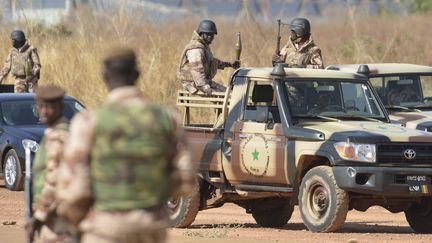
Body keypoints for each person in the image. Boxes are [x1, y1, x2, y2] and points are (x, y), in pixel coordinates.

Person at [55, 48, 195, 243]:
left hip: (105, 227)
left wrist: (75, 221)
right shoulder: (168, 119)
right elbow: (186, 181)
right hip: (151, 226)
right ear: (137, 75)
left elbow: (76, 189)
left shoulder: (88, 121)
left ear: (104, 76)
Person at [25, 85, 78, 243]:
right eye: (41, 106)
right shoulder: (55, 133)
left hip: (57, 220)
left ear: (61, 107)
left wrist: (38, 217)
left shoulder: (59, 136)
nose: (44, 112)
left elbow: (54, 180)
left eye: (50, 107)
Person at [177, 19, 239, 95]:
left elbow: (212, 62)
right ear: (201, 34)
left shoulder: (203, 47)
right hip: (193, 84)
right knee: (225, 96)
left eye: (212, 35)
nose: (211, 37)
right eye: (208, 34)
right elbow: (196, 70)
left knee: (229, 93)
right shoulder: (196, 49)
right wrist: (205, 87)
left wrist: (230, 64)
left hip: (203, 82)